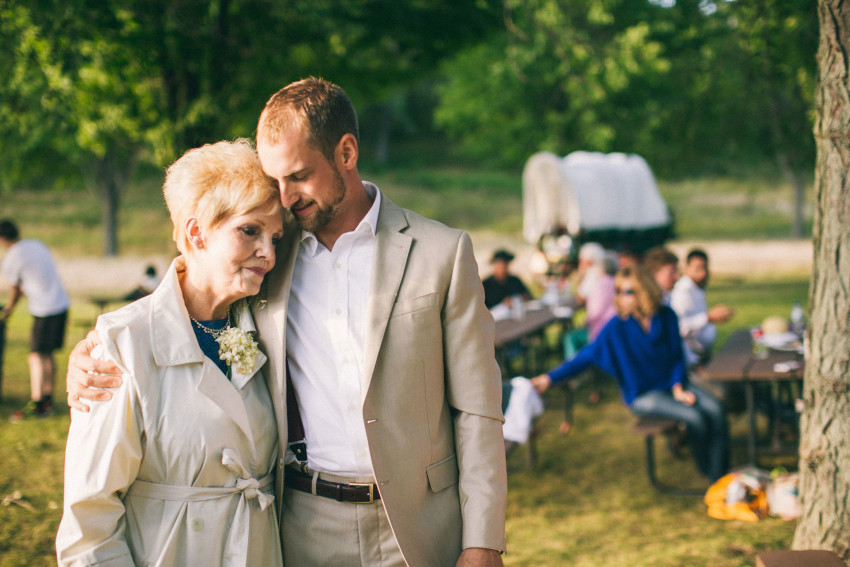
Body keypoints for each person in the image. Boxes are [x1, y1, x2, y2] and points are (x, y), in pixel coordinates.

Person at [66, 77, 507, 567]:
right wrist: (97, 351)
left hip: (422, 526)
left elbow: (478, 409)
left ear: (346, 152)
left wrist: (483, 540)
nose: (285, 196)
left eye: (298, 175)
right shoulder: (272, 259)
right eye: (274, 180)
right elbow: (193, 291)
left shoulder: (441, 253)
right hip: (301, 524)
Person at [56, 140, 285, 566]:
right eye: (250, 231)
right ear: (196, 233)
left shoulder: (269, 325)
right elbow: (89, 526)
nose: (268, 253)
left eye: (275, 237)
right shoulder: (122, 344)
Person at [531, 266, 729, 481]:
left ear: (644, 291)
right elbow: (585, 356)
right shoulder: (616, 327)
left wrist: (678, 387)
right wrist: (549, 378)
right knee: (695, 417)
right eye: (617, 291)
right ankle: (712, 475)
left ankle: (723, 472)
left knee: (716, 410)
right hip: (643, 394)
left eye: (627, 291)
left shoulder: (667, 316)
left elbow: (676, 357)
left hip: (674, 384)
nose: (619, 297)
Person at [0, 219, 70, 422]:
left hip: (44, 308)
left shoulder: (12, 258)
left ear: (3, 239)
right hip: (61, 303)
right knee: (47, 354)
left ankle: (39, 404)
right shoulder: (36, 244)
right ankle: (47, 399)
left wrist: (9, 309)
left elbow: (16, 289)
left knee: (35, 355)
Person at [671, 248, 734, 367]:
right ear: (686, 269)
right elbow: (681, 327)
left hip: (702, 357)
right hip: (691, 361)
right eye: (697, 269)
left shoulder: (696, 288)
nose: (703, 274)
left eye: (705, 268)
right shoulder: (683, 292)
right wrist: (709, 317)